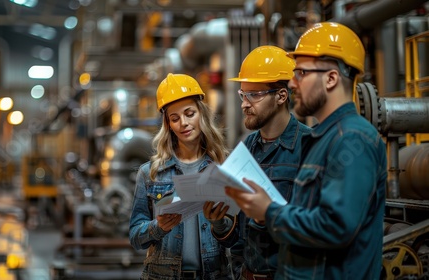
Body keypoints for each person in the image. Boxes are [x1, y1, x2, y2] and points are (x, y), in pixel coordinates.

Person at [225, 22, 388, 279]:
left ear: (331, 78)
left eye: (301, 72)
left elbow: (336, 226)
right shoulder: (324, 138)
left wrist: (268, 211)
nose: (292, 82)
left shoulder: (353, 140)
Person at [202, 45, 311, 280]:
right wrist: (219, 222)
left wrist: (268, 215)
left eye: (255, 94)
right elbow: (239, 238)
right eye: (243, 94)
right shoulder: (246, 150)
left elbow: (317, 230)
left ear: (282, 96)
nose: (244, 104)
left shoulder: (310, 147)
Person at [129, 73, 232, 280]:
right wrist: (157, 227)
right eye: (174, 118)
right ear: (168, 124)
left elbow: (235, 240)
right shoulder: (150, 174)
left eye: (189, 113)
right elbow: (135, 238)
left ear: (201, 114)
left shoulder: (222, 169)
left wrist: (219, 223)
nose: (183, 123)